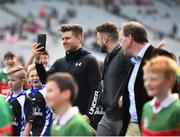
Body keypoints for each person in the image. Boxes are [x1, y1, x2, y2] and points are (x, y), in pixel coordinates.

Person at [32, 24, 102, 127]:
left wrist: (88, 115)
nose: (64, 41)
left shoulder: (90, 60)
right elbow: (45, 79)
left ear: (79, 39)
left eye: (67, 38)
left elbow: (96, 90)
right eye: (63, 38)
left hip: (83, 119)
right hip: (63, 118)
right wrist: (38, 61)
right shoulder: (60, 63)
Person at [117, 21, 174, 136]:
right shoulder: (134, 61)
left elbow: (172, 92)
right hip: (132, 126)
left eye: (121, 39)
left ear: (130, 38)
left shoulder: (160, 56)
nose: (119, 43)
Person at [95, 22, 131, 135]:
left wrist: (126, 97)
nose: (97, 42)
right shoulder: (108, 57)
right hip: (108, 116)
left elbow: (136, 78)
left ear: (105, 39)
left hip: (122, 117)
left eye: (98, 39)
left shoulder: (125, 54)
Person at [141, 56, 180, 136]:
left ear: (169, 80)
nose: (148, 83)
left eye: (153, 79)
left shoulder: (177, 109)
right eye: (145, 79)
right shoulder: (147, 107)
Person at [6, 66, 34, 136]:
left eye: (13, 80)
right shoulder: (8, 98)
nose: (10, 83)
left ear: (22, 81)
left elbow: (29, 123)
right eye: (8, 80)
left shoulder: (26, 99)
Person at [26, 64, 52, 136]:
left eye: (37, 75)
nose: (35, 78)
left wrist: (45, 134)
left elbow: (50, 115)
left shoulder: (47, 91)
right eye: (32, 76)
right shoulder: (26, 94)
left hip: (44, 130)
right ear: (28, 78)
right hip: (30, 132)